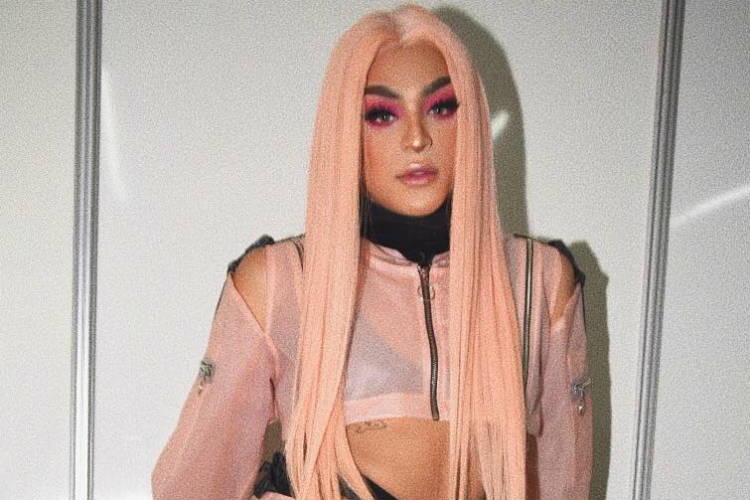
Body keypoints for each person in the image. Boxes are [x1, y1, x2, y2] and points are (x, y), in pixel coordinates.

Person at [151, 4, 591, 499]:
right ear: (346, 130)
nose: (417, 138)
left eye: (441, 107)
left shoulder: (540, 283)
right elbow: (194, 485)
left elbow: (562, 483)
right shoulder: (280, 281)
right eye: (382, 114)